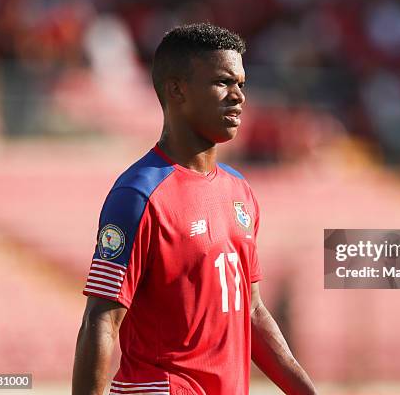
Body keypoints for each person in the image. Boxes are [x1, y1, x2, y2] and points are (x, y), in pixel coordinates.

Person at [72, 23, 317, 395]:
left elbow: (251, 312)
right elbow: (101, 321)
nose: (238, 97)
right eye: (222, 82)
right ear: (176, 90)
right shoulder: (139, 195)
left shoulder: (240, 191)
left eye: (241, 84)